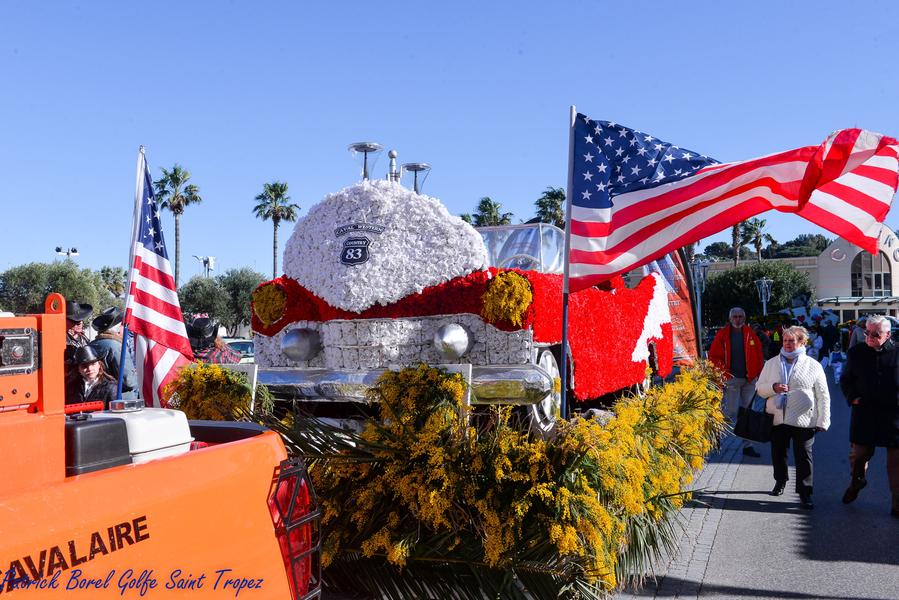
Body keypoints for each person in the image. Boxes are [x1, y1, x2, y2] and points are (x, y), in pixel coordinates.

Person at [756, 326, 830, 510]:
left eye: (792, 341)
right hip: (777, 417)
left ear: (802, 342)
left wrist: (823, 420)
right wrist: (773, 387)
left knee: (804, 456)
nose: (788, 344)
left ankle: (805, 492)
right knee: (778, 453)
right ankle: (780, 481)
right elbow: (759, 388)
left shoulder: (813, 365)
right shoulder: (771, 363)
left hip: (804, 419)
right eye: (785, 340)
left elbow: (823, 395)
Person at [838, 314, 899, 518]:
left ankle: (897, 504)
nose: (870, 337)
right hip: (865, 413)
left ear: (888, 334)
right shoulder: (856, 352)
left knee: (896, 463)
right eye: (867, 332)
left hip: (894, 415)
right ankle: (856, 482)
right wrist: (853, 397)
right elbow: (845, 380)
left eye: (875, 334)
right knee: (859, 455)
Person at [708, 307, 765, 457]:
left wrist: (758, 374)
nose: (738, 319)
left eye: (740, 316)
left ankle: (748, 446)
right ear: (730, 319)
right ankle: (716, 435)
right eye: (735, 317)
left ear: (744, 318)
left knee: (747, 413)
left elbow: (759, 355)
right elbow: (713, 356)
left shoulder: (750, 334)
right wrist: (724, 374)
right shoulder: (723, 334)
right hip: (732, 379)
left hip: (749, 380)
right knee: (731, 411)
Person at [90, 307, 138, 397]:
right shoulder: (117, 347)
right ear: (119, 327)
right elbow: (129, 381)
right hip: (121, 400)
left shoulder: (92, 344)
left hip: (101, 396)